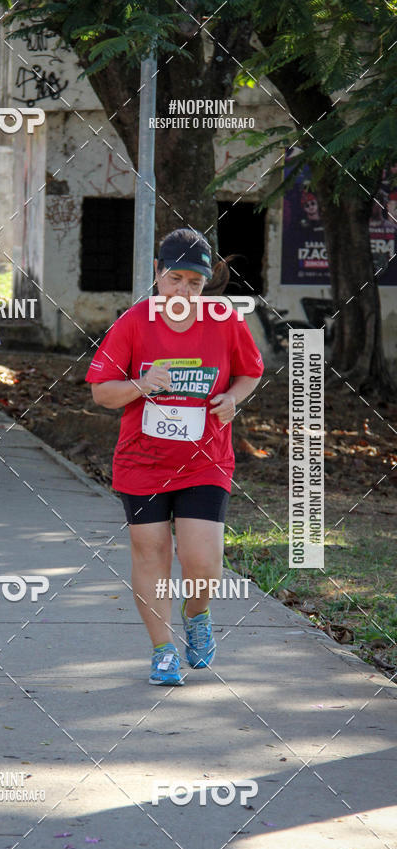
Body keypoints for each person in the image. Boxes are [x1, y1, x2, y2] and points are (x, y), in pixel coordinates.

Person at [87, 229, 263, 685]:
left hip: (206, 458)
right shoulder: (134, 322)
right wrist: (143, 384)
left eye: (195, 283)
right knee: (151, 553)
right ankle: (162, 649)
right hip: (142, 463)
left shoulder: (224, 320)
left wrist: (233, 399)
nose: (184, 292)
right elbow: (102, 392)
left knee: (203, 562)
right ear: (157, 273)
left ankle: (196, 613)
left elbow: (249, 372)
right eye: (175, 279)